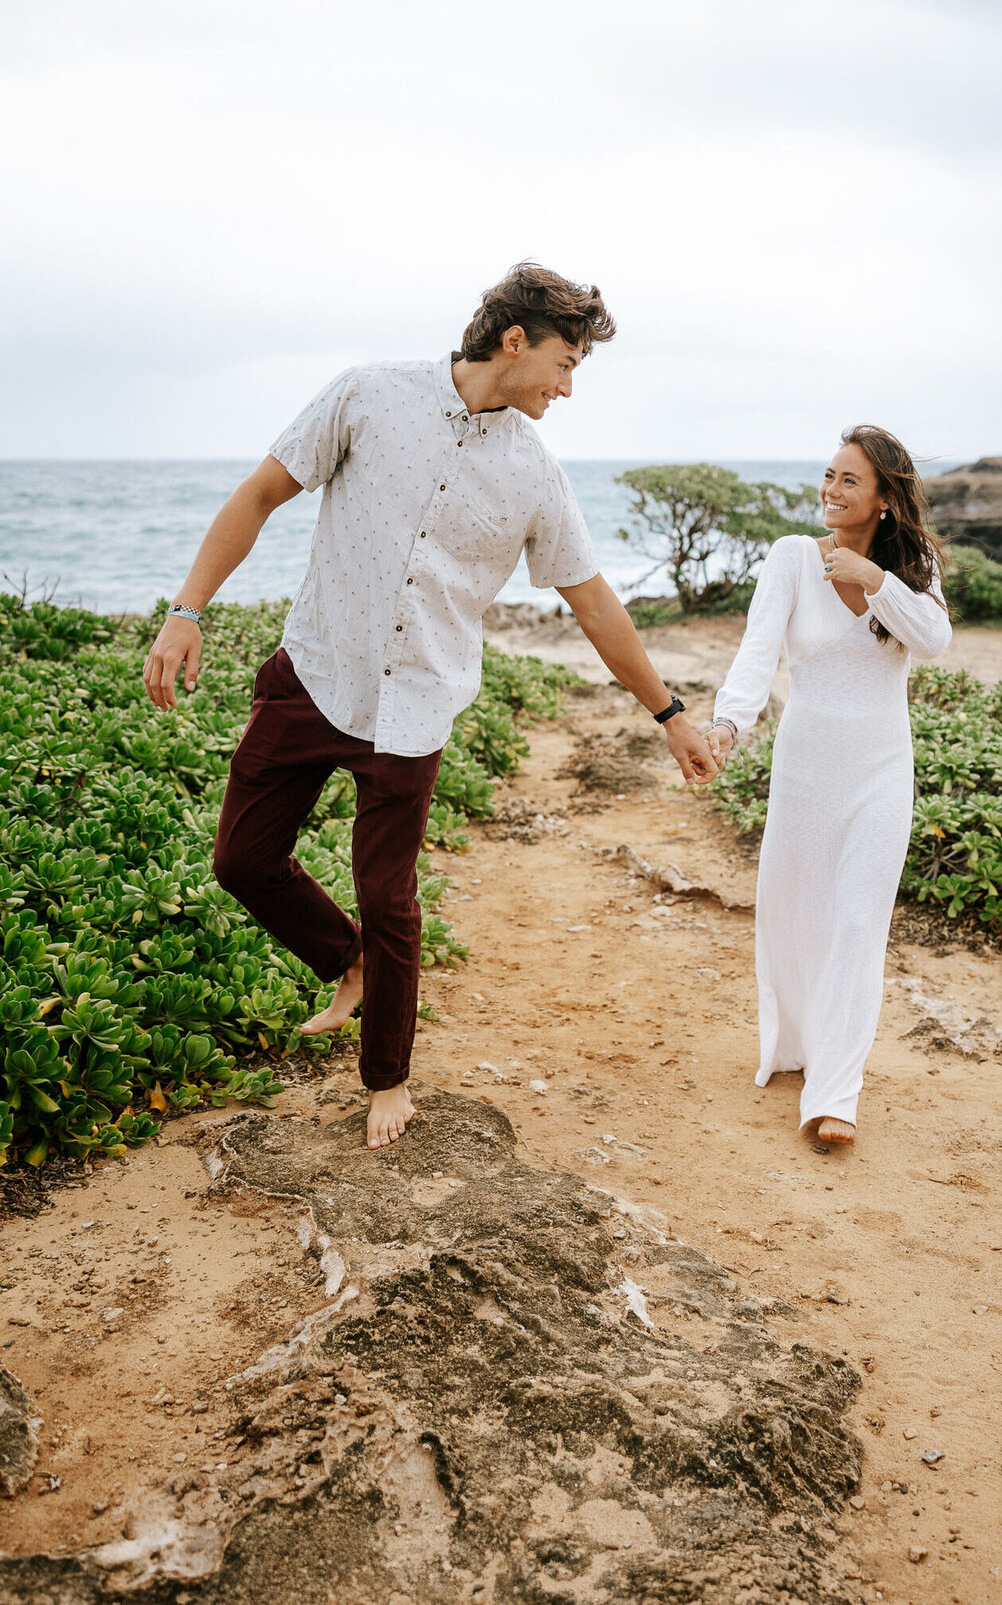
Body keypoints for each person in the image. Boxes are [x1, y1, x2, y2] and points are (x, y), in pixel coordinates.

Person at [142, 262, 719, 1150]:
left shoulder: (535, 473)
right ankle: (347, 960)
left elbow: (594, 603)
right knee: (242, 861)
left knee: (389, 895)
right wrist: (186, 612)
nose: (568, 387)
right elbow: (260, 496)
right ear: (515, 340)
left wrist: (670, 713)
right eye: (565, 364)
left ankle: (388, 1079)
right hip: (315, 670)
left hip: (416, 700)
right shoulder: (368, 395)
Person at [705, 426, 951, 1147]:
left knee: (856, 922)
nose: (831, 491)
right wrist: (728, 724)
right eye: (828, 475)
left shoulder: (913, 567)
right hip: (806, 767)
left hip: (880, 767)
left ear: (883, 499)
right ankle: (800, 1048)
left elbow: (933, 640)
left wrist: (876, 580)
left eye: (849, 480)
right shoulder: (789, 558)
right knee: (796, 913)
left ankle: (835, 1094)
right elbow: (757, 652)